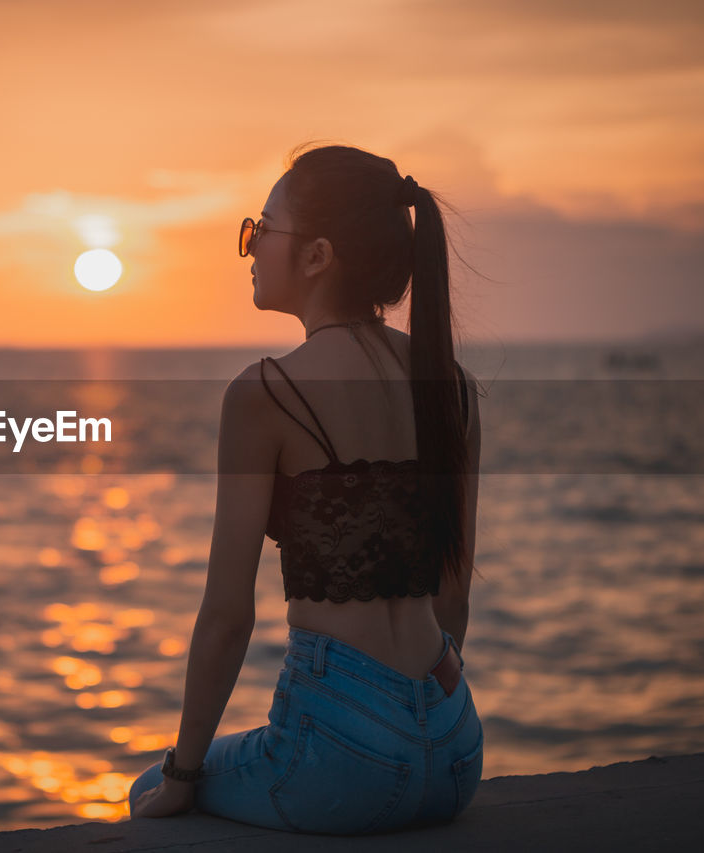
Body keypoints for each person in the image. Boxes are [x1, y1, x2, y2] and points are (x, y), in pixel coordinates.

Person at [127, 143, 484, 835]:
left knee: (152, 787)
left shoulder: (266, 394)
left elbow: (229, 615)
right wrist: (417, 730)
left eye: (263, 228)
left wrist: (181, 773)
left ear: (317, 256)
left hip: (344, 754)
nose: (251, 246)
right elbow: (453, 595)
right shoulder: (455, 390)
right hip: (454, 744)